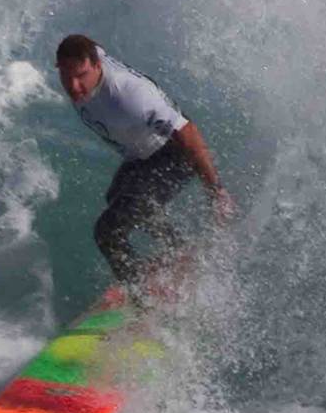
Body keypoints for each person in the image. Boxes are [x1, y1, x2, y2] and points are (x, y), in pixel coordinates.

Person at [52, 33, 234, 295]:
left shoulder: (129, 95)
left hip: (172, 154)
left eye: (81, 76)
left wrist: (216, 191)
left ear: (97, 65)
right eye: (66, 76)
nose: (74, 86)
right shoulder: (90, 58)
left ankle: (142, 298)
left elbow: (188, 133)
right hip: (141, 155)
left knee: (107, 231)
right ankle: (178, 250)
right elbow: (87, 47)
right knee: (117, 197)